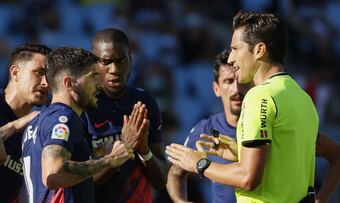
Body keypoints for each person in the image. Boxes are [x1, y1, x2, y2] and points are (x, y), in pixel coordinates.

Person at [166, 11, 340, 203]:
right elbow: (286, 164)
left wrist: (198, 163)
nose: (231, 58)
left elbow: (248, 179)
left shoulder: (259, 96)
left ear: (260, 50)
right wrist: (240, 152)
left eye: (236, 49)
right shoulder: (302, 97)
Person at [21, 47, 135, 203]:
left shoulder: (38, 122)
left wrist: (96, 154)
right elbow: (54, 172)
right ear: (69, 83)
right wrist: (111, 159)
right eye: (93, 76)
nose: (99, 84)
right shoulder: (63, 118)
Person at [84, 28, 168, 202]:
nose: (114, 69)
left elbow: (160, 180)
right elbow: (79, 186)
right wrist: (124, 148)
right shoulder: (82, 107)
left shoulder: (144, 102)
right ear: (93, 64)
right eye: (106, 61)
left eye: (121, 60)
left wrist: (144, 151)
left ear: (131, 59)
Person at [166, 50, 251, 203]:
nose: (236, 89)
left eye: (241, 81)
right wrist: (180, 201)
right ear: (216, 89)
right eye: (228, 81)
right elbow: (175, 173)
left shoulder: (266, 125)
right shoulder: (205, 130)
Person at [0, 43, 51, 203]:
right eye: (39, 73)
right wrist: (14, 126)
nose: (46, 83)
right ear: (15, 72)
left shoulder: (40, 128)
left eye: (49, 77)